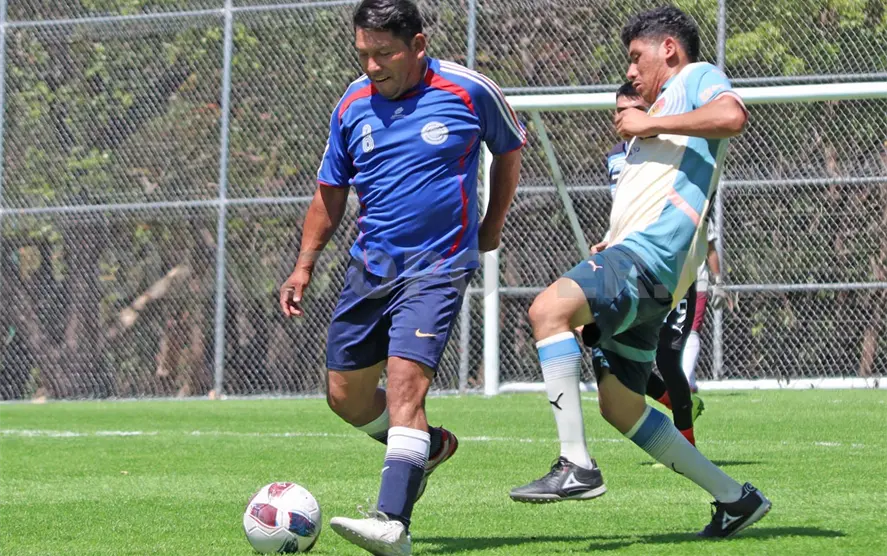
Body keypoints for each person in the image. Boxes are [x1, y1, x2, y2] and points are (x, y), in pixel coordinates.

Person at [509, 6, 770, 538]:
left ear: (668, 49)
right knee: (621, 406)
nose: (629, 70)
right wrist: (615, 235)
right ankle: (735, 498)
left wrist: (650, 123)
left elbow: (733, 116)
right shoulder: (663, 111)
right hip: (648, 266)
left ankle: (576, 464)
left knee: (547, 310)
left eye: (635, 57)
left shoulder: (694, 78)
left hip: (649, 259)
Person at [279, 0, 524, 553]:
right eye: (363, 54)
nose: (372, 66)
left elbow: (509, 150)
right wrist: (304, 263)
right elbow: (330, 191)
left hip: (438, 266)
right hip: (371, 268)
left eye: (384, 54)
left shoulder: (469, 90)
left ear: (418, 45)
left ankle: (393, 522)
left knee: (406, 385)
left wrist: (491, 224)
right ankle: (427, 447)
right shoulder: (352, 104)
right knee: (345, 397)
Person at [590, 82, 705, 448]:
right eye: (619, 110)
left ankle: (686, 443)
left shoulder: (670, 149)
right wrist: (610, 238)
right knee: (595, 336)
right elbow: (626, 206)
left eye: (635, 109)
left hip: (671, 267)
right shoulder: (615, 157)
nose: (624, 117)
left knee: (668, 357)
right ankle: (672, 398)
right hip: (628, 263)